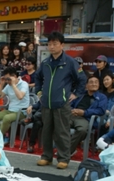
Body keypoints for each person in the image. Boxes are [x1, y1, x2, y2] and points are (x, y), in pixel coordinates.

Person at [34, 32, 86, 169]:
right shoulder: (45, 63)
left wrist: (75, 94)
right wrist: (39, 92)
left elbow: (82, 79)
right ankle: (46, 156)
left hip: (62, 103)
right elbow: (37, 78)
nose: (52, 47)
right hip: (46, 103)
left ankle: (63, 158)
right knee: (46, 131)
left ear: (62, 45)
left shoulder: (70, 62)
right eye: (49, 44)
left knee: (62, 132)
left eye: (55, 44)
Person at [69, 75, 107, 154]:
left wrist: (84, 112)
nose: (94, 84)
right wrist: (72, 110)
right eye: (91, 82)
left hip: (86, 118)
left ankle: (67, 151)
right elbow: (70, 104)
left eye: (96, 82)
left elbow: (100, 111)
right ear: (86, 85)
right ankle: (65, 149)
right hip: (72, 115)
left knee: (82, 130)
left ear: (99, 85)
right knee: (58, 124)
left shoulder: (102, 97)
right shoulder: (80, 95)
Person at [0, 67, 29, 141]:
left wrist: (13, 85)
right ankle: (3, 133)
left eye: (8, 79)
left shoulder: (24, 84)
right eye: (6, 79)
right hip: (10, 110)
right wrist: (1, 85)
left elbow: (20, 96)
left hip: (21, 111)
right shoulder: (8, 85)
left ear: (14, 76)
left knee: (6, 118)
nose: (7, 81)